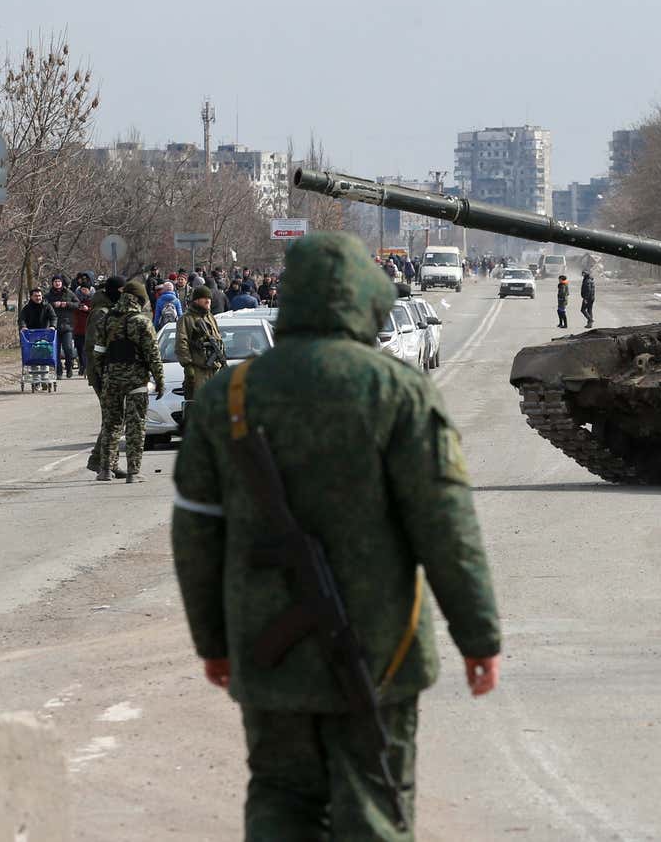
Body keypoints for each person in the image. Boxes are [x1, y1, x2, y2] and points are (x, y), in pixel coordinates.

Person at [170, 232, 501, 838]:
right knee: (374, 804)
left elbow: (196, 534)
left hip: (267, 645)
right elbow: (445, 524)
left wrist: (213, 642)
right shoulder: (397, 391)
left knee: (280, 797)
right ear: (364, 302)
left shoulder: (229, 395)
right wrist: (478, 635)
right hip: (381, 648)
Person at [93, 279, 164, 483]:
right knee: (136, 425)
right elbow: (153, 355)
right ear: (139, 299)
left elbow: (98, 353)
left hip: (111, 379)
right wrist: (159, 380)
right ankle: (133, 472)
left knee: (111, 424)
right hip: (136, 381)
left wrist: (103, 375)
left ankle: (105, 469)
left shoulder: (106, 320)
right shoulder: (142, 322)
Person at [85, 276, 126, 479]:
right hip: (103, 374)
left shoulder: (111, 310)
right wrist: (103, 374)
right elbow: (96, 347)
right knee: (113, 418)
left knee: (115, 417)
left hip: (111, 372)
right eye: (121, 290)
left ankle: (110, 462)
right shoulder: (101, 313)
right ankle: (100, 462)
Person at [176, 286, 225, 400]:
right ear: (196, 300)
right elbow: (181, 343)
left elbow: (218, 339)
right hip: (198, 370)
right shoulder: (186, 319)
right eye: (204, 298)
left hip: (214, 369)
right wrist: (188, 365)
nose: (208, 300)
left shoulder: (210, 317)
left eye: (209, 298)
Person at [46, 275, 78, 379]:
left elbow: (77, 304)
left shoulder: (69, 293)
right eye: (55, 281)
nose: (57, 283)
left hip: (67, 326)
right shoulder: (49, 295)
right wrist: (53, 304)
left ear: (62, 283)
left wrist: (66, 304)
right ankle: (58, 371)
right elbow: (44, 305)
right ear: (52, 283)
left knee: (68, 348)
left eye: (59, 281)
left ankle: (69, 367)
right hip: (53, 326)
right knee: (55, 350)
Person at [72, 280, 94, 376]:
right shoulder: (76, 297)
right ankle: (82, 365)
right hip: (78, 327)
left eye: (85, 290)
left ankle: (86, 367)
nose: (83, 291)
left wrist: (87, 309)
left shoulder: (94, 299)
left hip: (89, 327)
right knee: (80, 349)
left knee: (87, 349)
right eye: (82, 289)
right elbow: (72, 307)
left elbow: (96, 311)